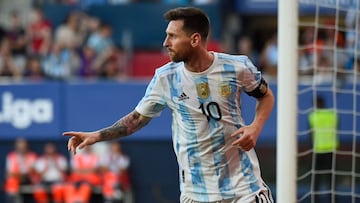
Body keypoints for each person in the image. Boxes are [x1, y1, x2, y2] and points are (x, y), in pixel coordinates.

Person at [64, 7, 275, 203]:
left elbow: (265, 96)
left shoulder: (236, 67)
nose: (165, 42)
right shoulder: (166, 78)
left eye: (172, 36)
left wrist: (255, 128)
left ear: (194, 39)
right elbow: (136, 120)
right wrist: (97, 136)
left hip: (245, 188)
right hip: (197, 193)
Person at [309, 96, 338, 203]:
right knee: (331, 177)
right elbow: (336, 130)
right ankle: (333, 199)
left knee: (317, 178)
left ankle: (315, 199)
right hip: (331, 149)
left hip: (318, 150)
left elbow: (310, 134)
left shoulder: (313, 116)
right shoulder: (332, 115)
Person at [5, 138, 38, 203]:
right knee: (11, 181)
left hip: (30, 180)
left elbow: (31, 172)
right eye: (19, 146)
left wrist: (20, 174)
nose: (21, 148)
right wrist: (20, 175)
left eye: (23, 146)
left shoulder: (32, 156)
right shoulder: (11, 156)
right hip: (16, 180)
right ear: (16, 147)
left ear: (27, 147)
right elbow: (8, 173)